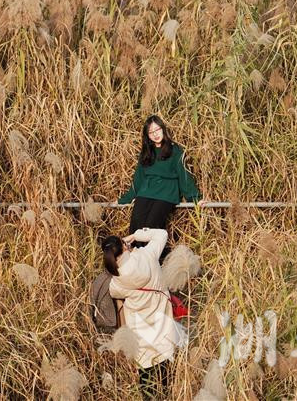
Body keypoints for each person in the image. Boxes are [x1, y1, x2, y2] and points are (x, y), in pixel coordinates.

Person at [101, 228, 187, 400]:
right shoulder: (147, 256)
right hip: (163, 330)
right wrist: (135, 235)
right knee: (166, 380)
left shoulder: (117, 282)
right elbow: (161, 234)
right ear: (125, 247)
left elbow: (114, 293)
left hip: (141, 337)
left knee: (147, 386)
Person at [117, 115, 205, 259]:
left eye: (158, 129)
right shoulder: (147, 152)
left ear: (163, 130)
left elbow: (184, 175)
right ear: (147, 135)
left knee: (151, 227)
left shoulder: (174, 150)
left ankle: (156, 263)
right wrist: (126, 199)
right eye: (151, 132)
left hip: (166, 193)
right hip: (146, 192)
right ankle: (138, 263)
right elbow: (138, 179)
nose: (156, 134)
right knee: (136, 226)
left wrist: (195, 198)